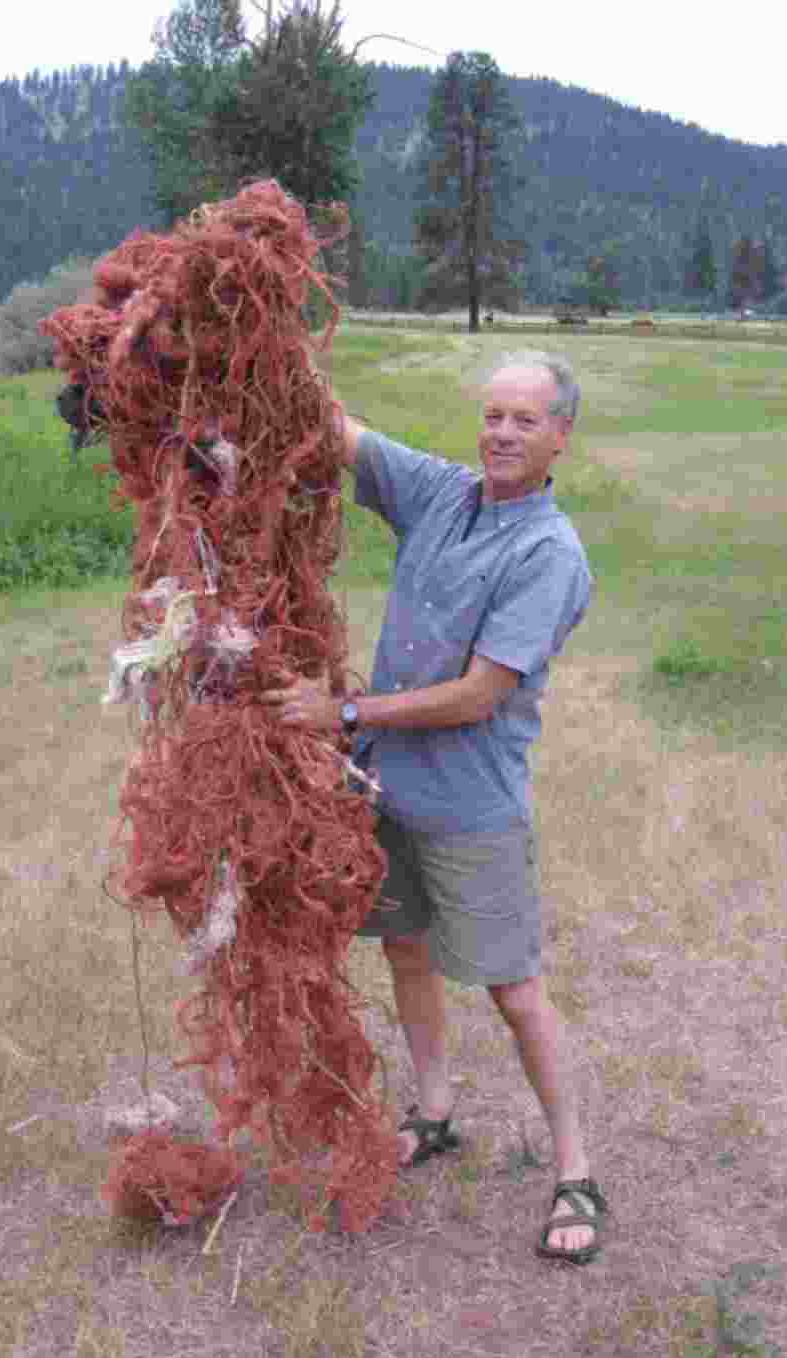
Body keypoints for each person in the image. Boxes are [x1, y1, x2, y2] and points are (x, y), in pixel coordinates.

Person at [262, 352, 607, 1264]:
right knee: (406, 948)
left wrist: (341, 712)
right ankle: (438, 1108)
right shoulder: (443, 494)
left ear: (561, 437)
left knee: (512, 986)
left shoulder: (548, 554)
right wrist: (250, 338)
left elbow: (476, 696)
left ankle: (575, 1166)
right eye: (494, 414)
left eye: (525, 420)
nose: (501, 432)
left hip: (472, 805)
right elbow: (341, 433)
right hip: (387, 790)